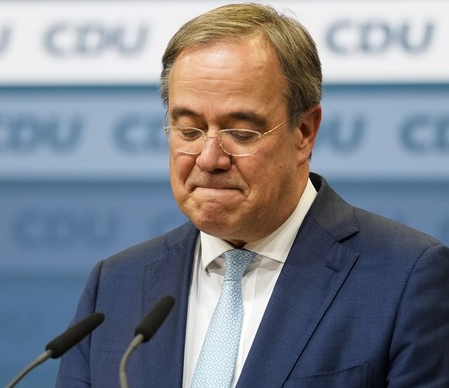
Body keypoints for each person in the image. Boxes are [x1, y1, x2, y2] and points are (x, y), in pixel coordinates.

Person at [56, 3, 449, 387]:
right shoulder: (115, 285)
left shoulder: (405, 278)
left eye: (240, 132)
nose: (209, 159)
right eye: (189, 131)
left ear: (305, 132)